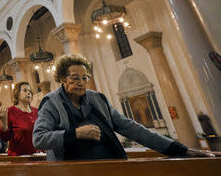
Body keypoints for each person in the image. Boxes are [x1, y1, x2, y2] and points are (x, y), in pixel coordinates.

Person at [33, 54, 218, 160]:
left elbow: (130, 127)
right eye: (74, 78)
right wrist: (75, 134)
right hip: (71, 169)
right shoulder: (52, 103)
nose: (81, 82)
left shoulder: (97, 99)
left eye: (84, 78)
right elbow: (39, 138)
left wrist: (179, 149)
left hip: (110, 165)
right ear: (63, 79)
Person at [0, 81, 38, 156]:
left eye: (30, 91)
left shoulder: (37, 112)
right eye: (25, 90)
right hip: (18, 157)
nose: (29, 93)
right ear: (17, 94)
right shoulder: (10, 111)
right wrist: (3, 122)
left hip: (37, 156)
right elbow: (5, 138)